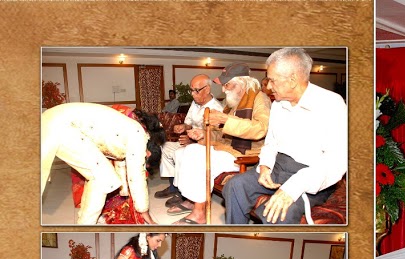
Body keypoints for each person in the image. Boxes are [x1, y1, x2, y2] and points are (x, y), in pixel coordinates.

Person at [222, 47, 347, 224]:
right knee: (234, 186)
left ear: (293, 80)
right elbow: (271, 143)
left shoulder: (331, 103)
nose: (268, 86)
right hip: (278, 168)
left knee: (277, 214)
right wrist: (265, 166)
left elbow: (335, 162)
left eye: (272, 80)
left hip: (312, 176)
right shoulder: (278, 104)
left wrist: (293, 187)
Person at [169, 65, 271, 224]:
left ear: (242, 83)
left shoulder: (260, 99)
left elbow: (261, 129)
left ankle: (199, 213)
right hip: (226, 149)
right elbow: (223, 133)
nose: (223, 90)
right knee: (186, 151)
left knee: (196, 156)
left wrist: (225, 120)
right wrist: (204, 134)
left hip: (244, 155)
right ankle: (192, 200)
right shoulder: (232, 103)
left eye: (227, 85)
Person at [40, 102, 155, 224]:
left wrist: (124, 190)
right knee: (103, 178)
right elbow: (136, 176)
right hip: (61, 126)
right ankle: (86, 224)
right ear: (148, 153)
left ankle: (86, 221)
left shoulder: (130, 128)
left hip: (54, 120)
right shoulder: (138, 135)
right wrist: (144, 210)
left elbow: (120, 159)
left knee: (100, 176)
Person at [155, 74, 221, 204]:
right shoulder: (195, 103)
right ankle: (174, 187)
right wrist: (183, 126)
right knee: (166, 147)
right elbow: (189, 122)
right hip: (191, 140)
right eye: (191, 90)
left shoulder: (216, 109)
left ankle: (183, 193)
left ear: (207, 89)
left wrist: (192, 141)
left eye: (196, 90)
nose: (192, 94)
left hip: (206, 145)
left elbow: (215, 137)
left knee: (180, 154)